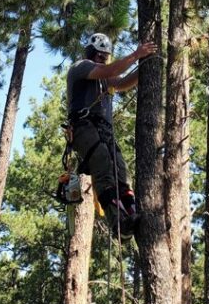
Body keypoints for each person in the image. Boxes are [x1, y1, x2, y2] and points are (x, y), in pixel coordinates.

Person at [66, 32, 156, 238]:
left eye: (105, 56)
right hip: (83, 127)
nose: (103, 59)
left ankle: (130, 212)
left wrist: (146, 66)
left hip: (103, 129)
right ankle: (117, 221)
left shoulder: (105, 79)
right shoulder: (81, 68)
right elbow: (111, 70)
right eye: (100, 55)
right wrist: (136, 54)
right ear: (92, 53)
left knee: (121, 171)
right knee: (103, 165)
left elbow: (122, 82)